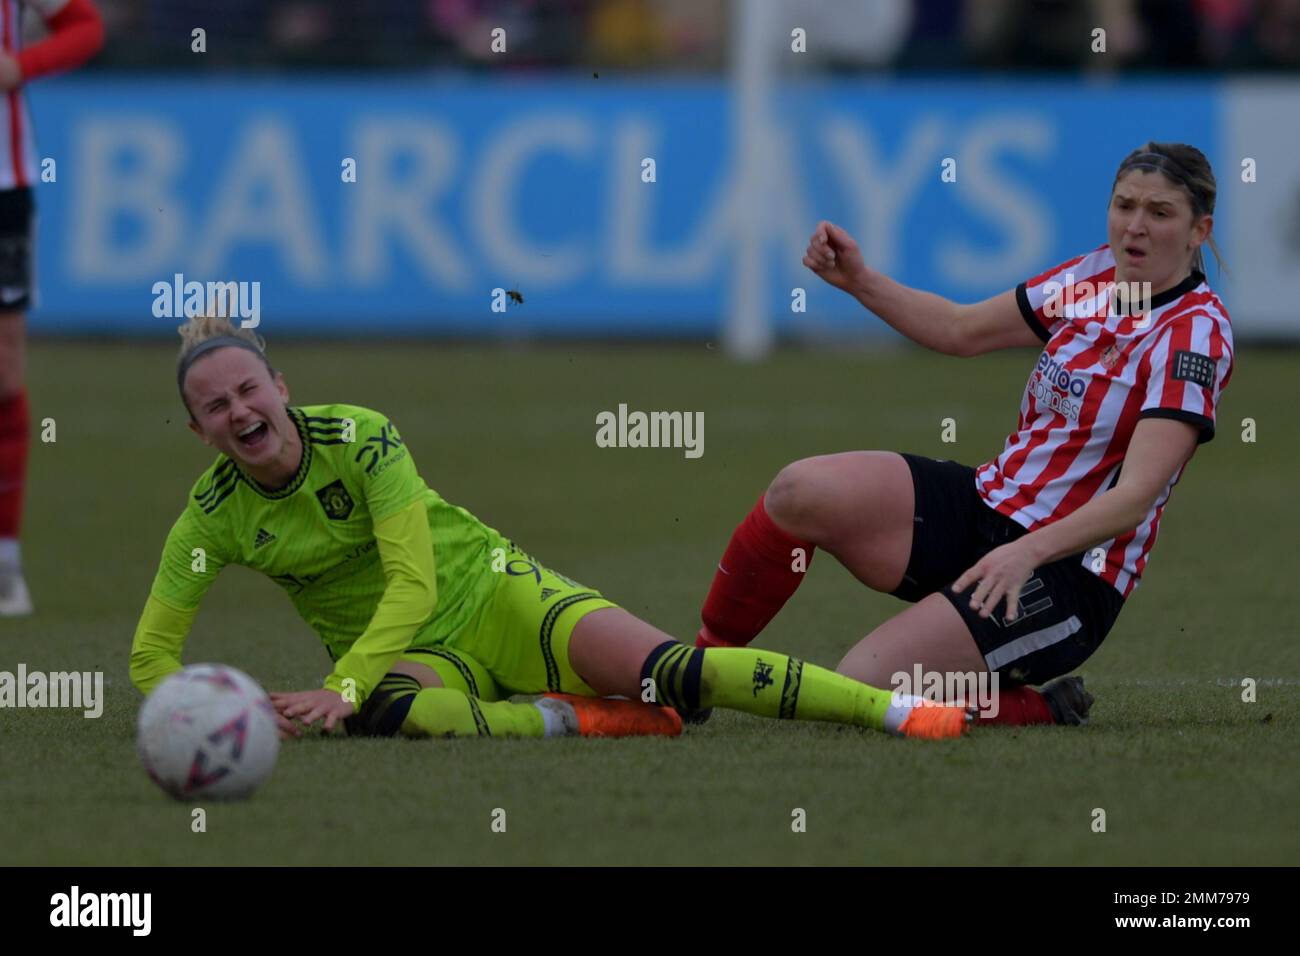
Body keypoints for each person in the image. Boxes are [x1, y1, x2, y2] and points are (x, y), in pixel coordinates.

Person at [128, 313, 971, 742]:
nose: (239, 410)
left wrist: (337, 686)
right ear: (198, 433)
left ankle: (893, 713)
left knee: (678, 673)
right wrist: (225, 711)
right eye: (215, 406)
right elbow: (149, 657)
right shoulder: (211, 519)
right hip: (415, 660)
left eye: (248, 389)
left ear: (280, 384)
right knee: (399, 719)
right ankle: (584, 719)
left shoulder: (362, 435)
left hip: (499, 596)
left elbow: (416, 579)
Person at [696, 142, 1233, 727]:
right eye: (1124, 205)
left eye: (1159, 213)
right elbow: (960, 329)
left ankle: (1037, 710)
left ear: (1198, 231)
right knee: (799, 491)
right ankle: (698, 670)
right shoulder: (1093, 274)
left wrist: (1024, 553)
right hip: (988, 504)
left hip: (1068, 572)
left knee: (864, 685)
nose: (1135, 226)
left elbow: (1133, 499)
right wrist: (859, 281)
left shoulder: (1195, 334)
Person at [0, 0, 103, 615]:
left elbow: (84, 25)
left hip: (4, 188)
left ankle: (4, 558)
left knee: (6, 371)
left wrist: (20, 65)